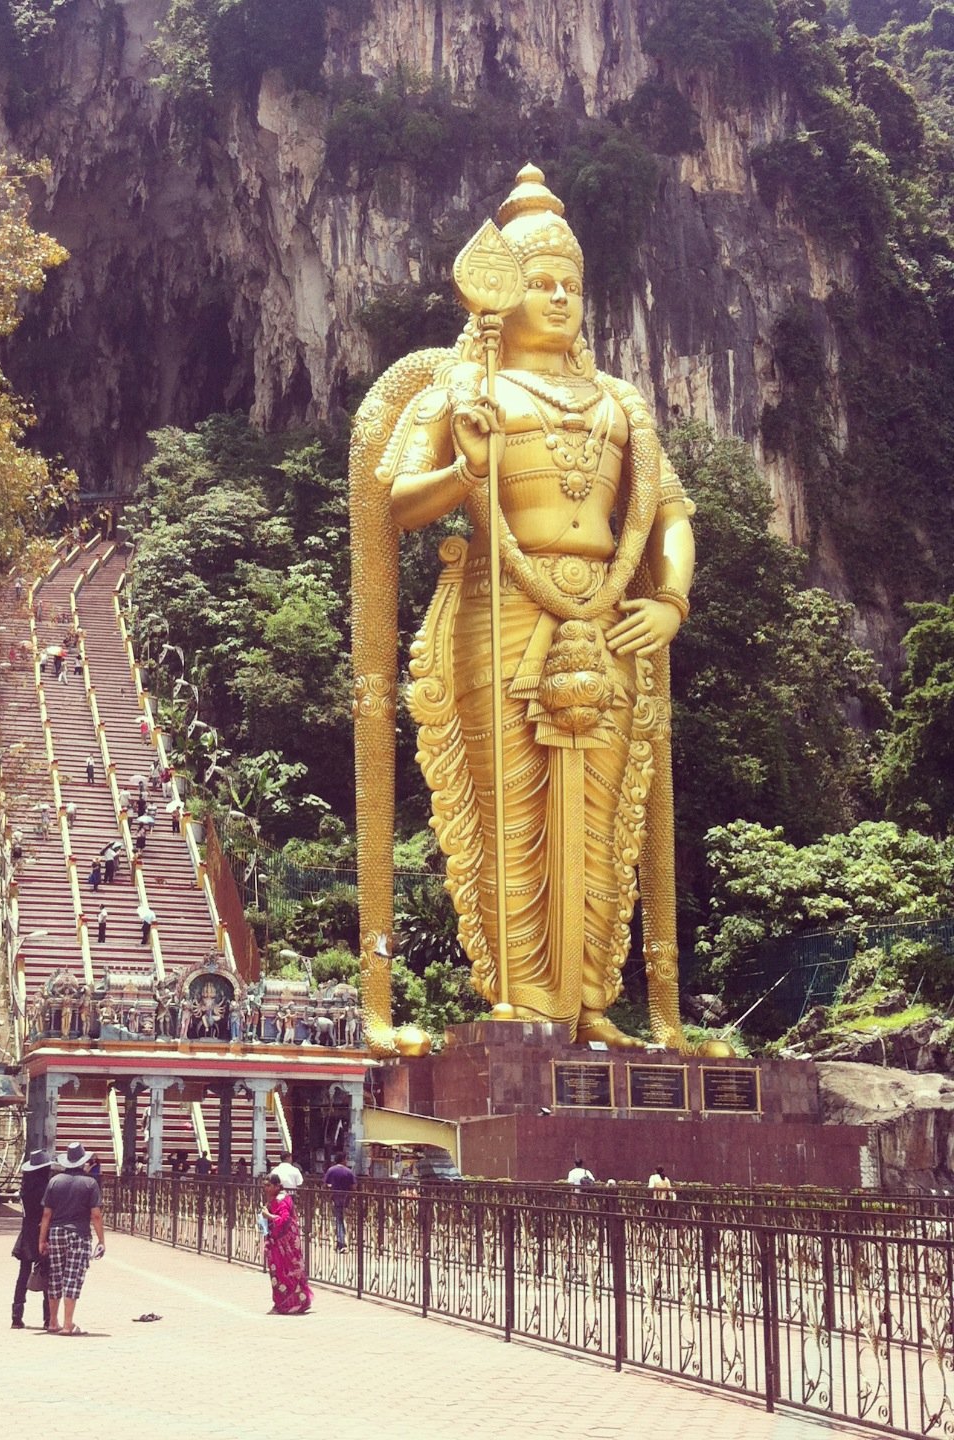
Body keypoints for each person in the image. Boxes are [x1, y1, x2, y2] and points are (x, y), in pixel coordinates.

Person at [349, 164, 717, 1056]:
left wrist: (668, 600)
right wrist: (467, 468)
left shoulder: (621, 402)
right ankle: (518, 999)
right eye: (538, 284)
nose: (556, 299)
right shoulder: (466, 390)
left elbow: (668, 511)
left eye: (570, 287)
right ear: (502, 293)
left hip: (613, 613)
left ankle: (594, 1002)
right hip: (497, 606)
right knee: (504, 806)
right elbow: (394, 501)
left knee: (604, 814)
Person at [38, 1144, 106, 1337]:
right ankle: (68, 1325)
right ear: (83, 1162)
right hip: (79, 1234)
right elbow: (96, 1215)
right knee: (72, 1278)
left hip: (56, 1232)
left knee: (55, 1276)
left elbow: (46, 1215)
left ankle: (53, 1322)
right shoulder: (89, 1184)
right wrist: (101, 1240)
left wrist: (42, 1240)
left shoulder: (54, 1182)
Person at [11, 1150, 56, 1332]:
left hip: (26, 1232)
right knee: (47, 1275)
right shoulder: (47, 1187)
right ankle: (47, 1318)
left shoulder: (25, 1187)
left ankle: (16, 1315)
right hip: (42, 1232)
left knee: (23, 1275)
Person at [260, 1173, 311, 1316]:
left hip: (284, 1243)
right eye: (265, 1185)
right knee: (288, 1272)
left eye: (269, 1185)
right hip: (282, 1241)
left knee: (283, 1273)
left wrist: (268, 1216)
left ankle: (285, 1304)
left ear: (277, 1186)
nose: (266, 1188)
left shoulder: (281, 1200)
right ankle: (296, 1302)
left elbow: (284, 1219)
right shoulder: (279, 1198)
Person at [324, 1154, 356, 1252]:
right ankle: (344, 1241)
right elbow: (354, 1186)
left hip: (335, 1197)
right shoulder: (348, 1171)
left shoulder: (331, 1170)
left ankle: (340, 1241)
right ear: (343, 1160)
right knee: (345, 1220)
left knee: (339, 1219)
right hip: (347, 1198)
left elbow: (325, 1184)